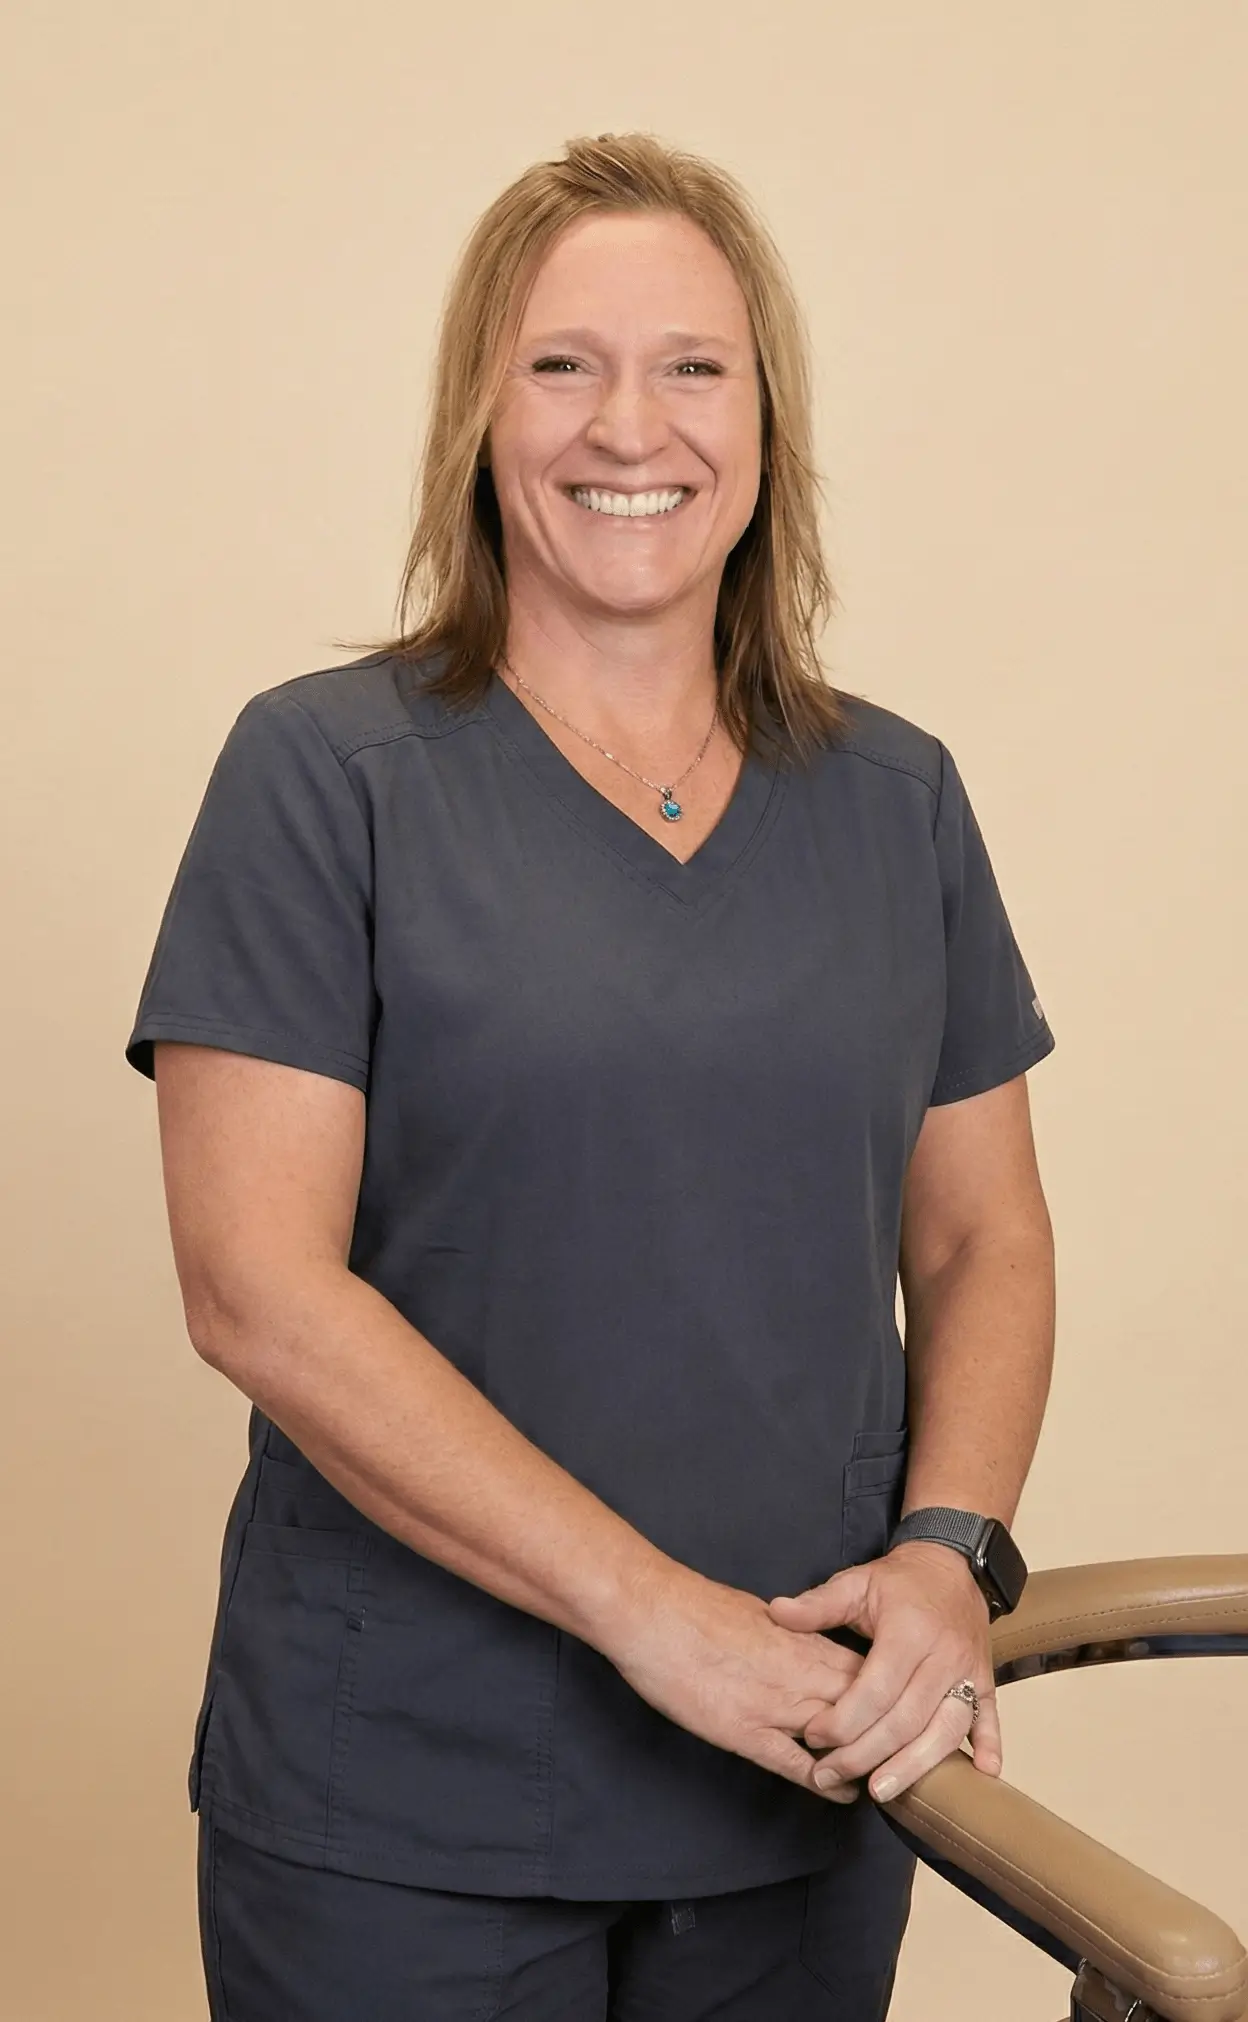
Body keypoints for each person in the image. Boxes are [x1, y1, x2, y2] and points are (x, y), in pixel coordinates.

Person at [125, 131, 1057, 2021]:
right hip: (406, 1804)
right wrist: (662, 1623)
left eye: (693, 366)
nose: (630, 425)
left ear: (766, 419)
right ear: (481, 410)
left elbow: (981, 1241)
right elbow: (256, 1288)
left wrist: (954, 1557)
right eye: (562, 363)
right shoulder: (325, 775)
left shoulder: (900, 799)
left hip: (804, 1780)